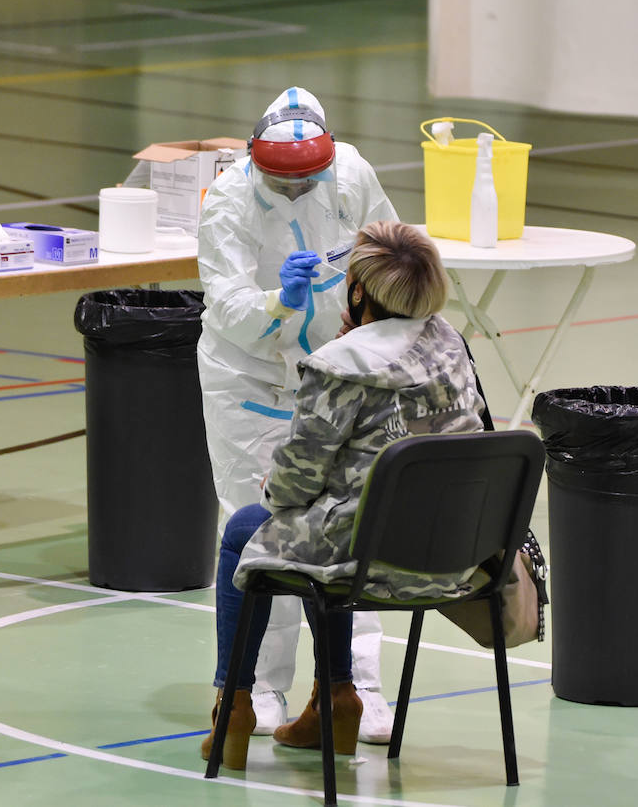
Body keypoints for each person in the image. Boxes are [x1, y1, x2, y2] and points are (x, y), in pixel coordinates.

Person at [200, 220, 490, 769]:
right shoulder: (451, 342)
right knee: (331, 525)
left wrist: (277, 485)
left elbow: (296, 483)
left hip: (370, 561)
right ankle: (334, 701)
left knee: (246, 530)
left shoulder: (342, 364)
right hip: (458, 555)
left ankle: (233, 707)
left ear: (357, 291)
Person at [196, 86, 399, 742]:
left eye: (307, 180)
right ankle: (257, 688)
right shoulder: (226, 202)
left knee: (352, 531)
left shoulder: (353, 177)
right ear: (255, 164)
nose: (295, 191)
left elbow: (391, 258)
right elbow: (229, 309)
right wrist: (280, 304)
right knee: (258, 532)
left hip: (338, 380)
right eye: (281, 183)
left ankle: (355, 688)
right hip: (250, 381)